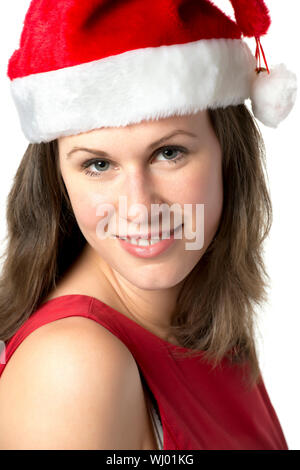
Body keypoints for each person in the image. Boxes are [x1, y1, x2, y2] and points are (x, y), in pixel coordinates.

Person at [0, 0, 297, 450]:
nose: (139, 208)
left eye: (169, 153)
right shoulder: (73, 367)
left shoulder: (209, 324)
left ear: (228, 156)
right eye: (99, 164)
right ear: (58, 179)